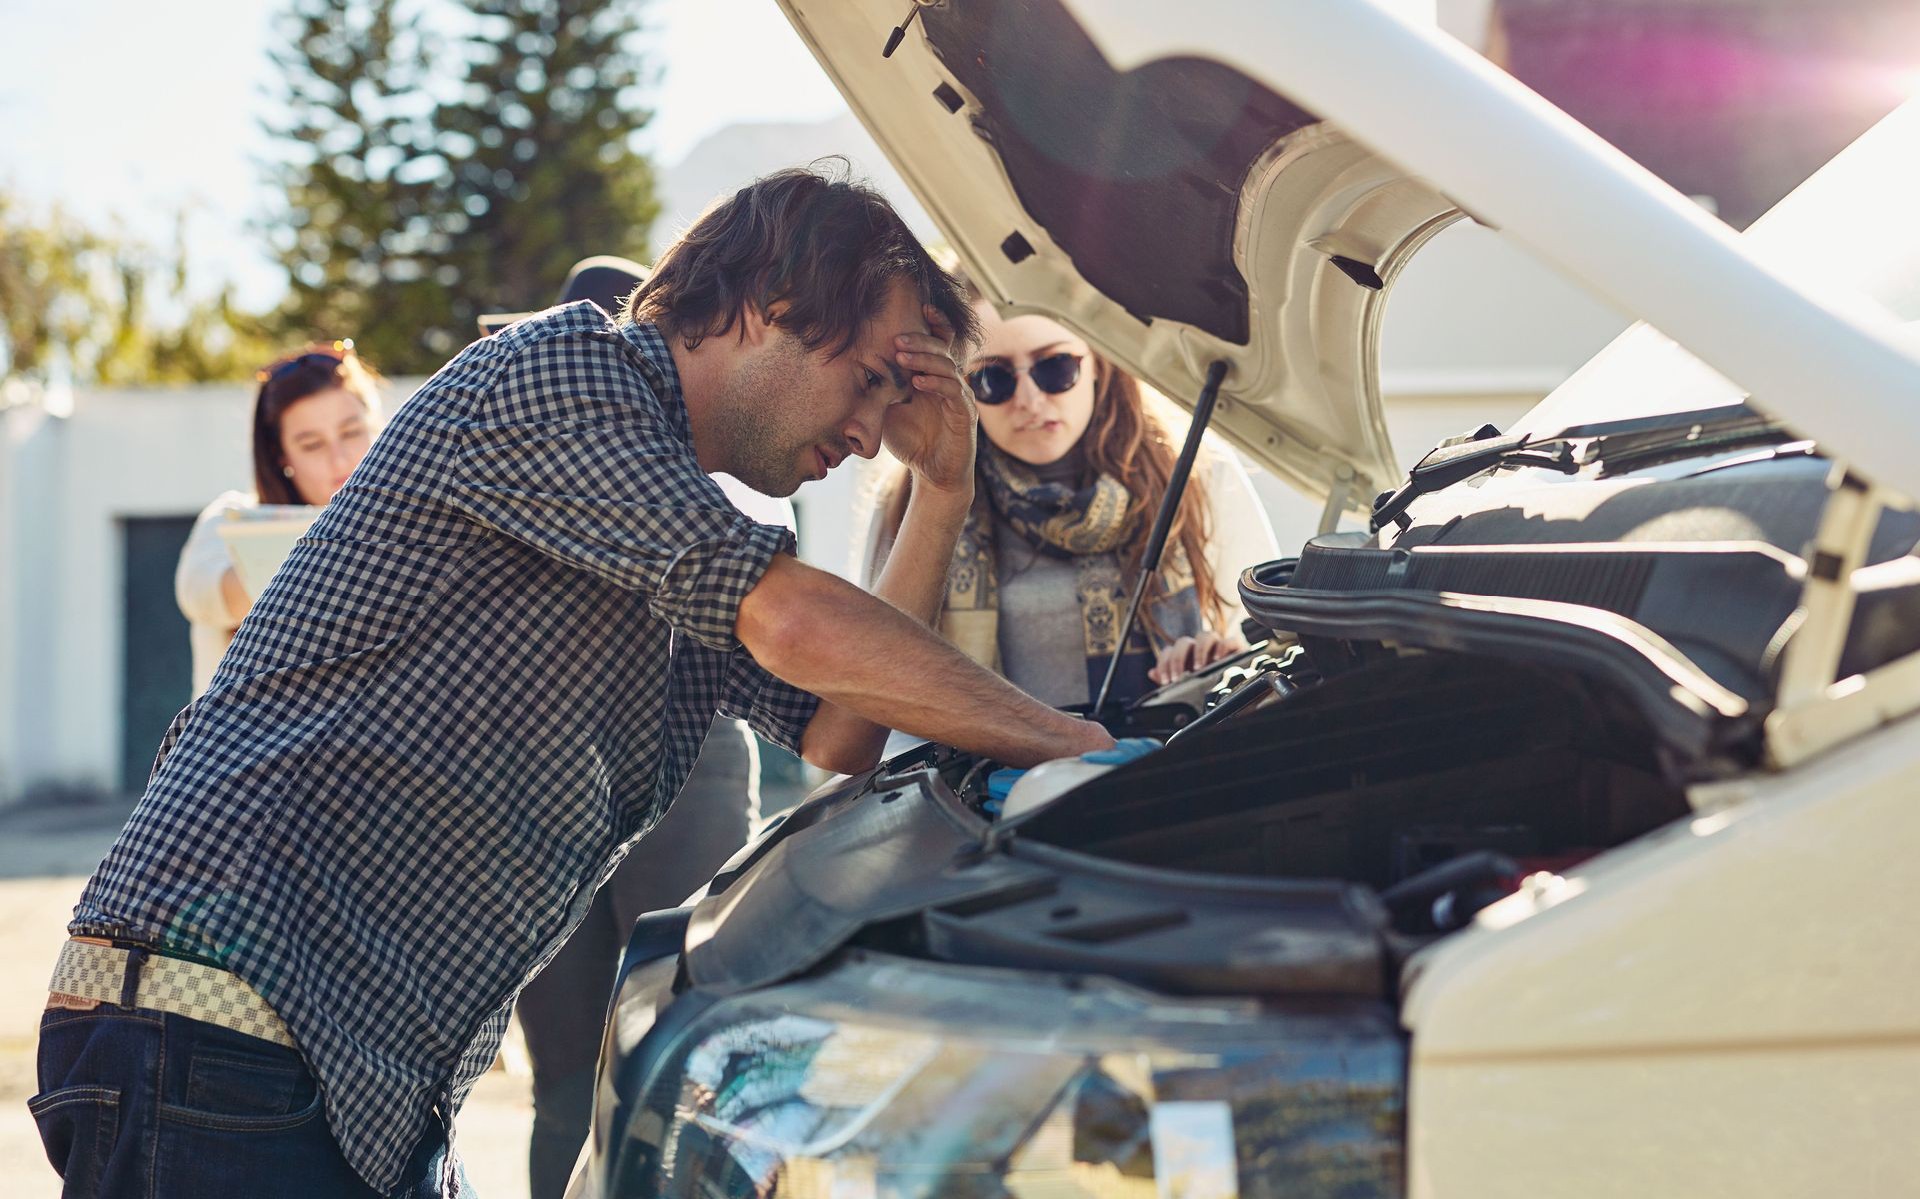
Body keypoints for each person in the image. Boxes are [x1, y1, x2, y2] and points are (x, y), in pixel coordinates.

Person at [35, 166, 1112, 1199]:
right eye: (874, 376)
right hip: (219, 1022)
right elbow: (794, 618)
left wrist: (941, 487)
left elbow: (842, 733)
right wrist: (1077, 750)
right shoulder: (563, 374)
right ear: (772, 303)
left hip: (343, 1078)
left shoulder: (683, 523)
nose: (873, 427)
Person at [480, 255, 779, 1199]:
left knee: (682, 1049)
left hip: (686, 774)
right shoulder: (520, 455)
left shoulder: (741, 467)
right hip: (537, 785)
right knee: (564, 1074)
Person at [862, 289, 1278, 709]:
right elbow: (885, 677)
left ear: (1097, 359)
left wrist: (1214, 662)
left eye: (1056, 367)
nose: (1030, 400)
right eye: (993, 379)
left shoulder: (1197, 471)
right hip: (1002, 773)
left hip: (1178, 756)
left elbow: (1266, 645)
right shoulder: (920, 496)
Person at [174, 342, 384, 695]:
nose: (339, 460)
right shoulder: (230, 518)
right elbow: (201, 596)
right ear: (281, 456)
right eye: (312, 445)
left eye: (350, 433)